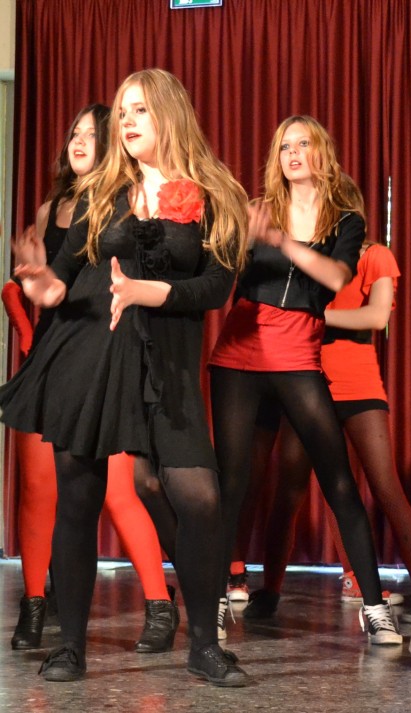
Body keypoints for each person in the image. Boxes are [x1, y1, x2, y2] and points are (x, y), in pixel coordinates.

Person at [0, 68, 250, 686]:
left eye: (140, 109)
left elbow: (216, 288)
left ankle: (204, 646)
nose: (128, 121)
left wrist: (150, 291)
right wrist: (42, 283)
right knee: (78, 498)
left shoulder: (214, 192)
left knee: (200, 498)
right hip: (90, 355)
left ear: (169, 112)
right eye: (124, 110)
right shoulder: (102, 192)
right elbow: (61, 277)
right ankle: (70, 647)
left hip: (166, 365)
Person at [207, 115, 402, 647]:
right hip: (242, 347)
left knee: (339, 481)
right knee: (233, 482)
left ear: (322, 153)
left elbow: (336, 277)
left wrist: (282, 242)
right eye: (284, 146)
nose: (293, 153)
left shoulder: (346, 219)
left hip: (297, 351)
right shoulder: (256, 209)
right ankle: (215, 600)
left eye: (303, 144)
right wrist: (238, 235)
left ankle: (375, 607)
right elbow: (220, 271)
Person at [3, 104, 176, 655]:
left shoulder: (127, 202)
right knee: (39, 488)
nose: (78, 141)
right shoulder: (51, 209)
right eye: (73, 132)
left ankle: (160, 604)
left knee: (118, 491)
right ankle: (35, 605)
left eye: (91, 135)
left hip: (109, 351)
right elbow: (37, 288)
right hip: (54, 353)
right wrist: (29, 299)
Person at [238, 238, 411, 618]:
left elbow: (377, 316)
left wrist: (318, 315)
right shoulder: (307, 255)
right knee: (289, 491)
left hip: (359, 385)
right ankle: (271, 590)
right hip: (307, 382)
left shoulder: (375, 255)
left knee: (386, 487)